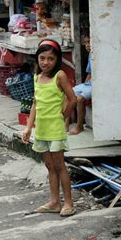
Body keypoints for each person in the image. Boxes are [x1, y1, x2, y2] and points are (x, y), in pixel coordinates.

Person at [22, 39, 77, 217]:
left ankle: (68, 203)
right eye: (42, 58)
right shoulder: (37, 77)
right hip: (42, 130)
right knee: (49, 166)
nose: (46, 62)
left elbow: (72, 99)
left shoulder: (59, 76)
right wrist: (28, 128)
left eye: (50, 59)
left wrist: (64, 116)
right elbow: (35, 105)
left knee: (60, 166)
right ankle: (54, 202)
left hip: (55, 130)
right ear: (37, 59)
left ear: (57, 60)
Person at [68, 33, 93, 135]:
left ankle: (79, 126)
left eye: (89, 42)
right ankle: (65, 124)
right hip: (90, 84)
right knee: (68, 93)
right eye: (86, 42)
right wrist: (84, 86)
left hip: (98, 85)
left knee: (79, 99)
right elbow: (89, 73)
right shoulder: (91, 55)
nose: (87, 45)